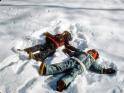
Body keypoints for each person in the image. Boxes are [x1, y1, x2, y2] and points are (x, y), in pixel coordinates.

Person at [38, 47, 117, 92]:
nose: (92, 52)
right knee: (62, 65)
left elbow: (98, 68)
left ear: (95, 56)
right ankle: (46, 69)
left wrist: (105, 70)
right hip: (73, 61)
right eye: (92, 51)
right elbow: (74, 53)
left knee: (72, 74)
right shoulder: (82, 52)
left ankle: (62, 83)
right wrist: (68, 51)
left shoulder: (92, 61)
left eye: (94, 53)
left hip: (80, 67)